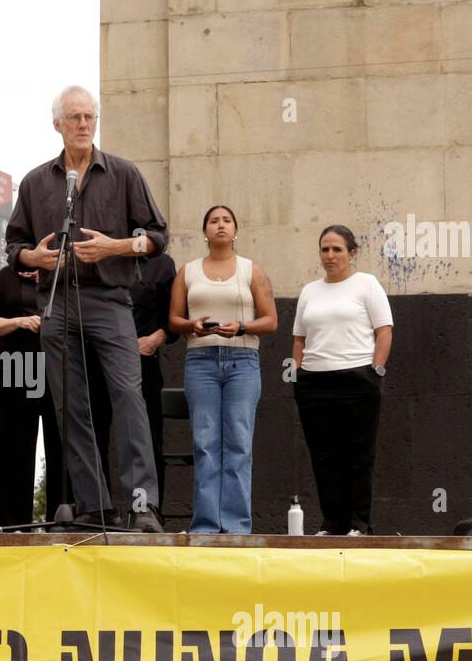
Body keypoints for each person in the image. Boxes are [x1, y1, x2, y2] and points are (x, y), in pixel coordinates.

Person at [7, 85, 167, 532]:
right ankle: (93, 505)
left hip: (110, 299)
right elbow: (14, 245)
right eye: (74, 117)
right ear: (57, 124)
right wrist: (33, 258)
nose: (83, 124)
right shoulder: (35, 182)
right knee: (70, 406)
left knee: (128, 396)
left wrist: (117, 247)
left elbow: (158, 237)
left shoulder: (123, 173)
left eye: (89, 117)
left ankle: (141, 504)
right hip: (56, 300)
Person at [169, 205, 278, 533]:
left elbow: (270, 320)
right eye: (213, 221)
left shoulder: (251, 270)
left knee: (238, 443)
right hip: (200, 361)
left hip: (242, 361)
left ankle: (235, 526)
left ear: (235, 230)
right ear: (205, 231)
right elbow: (173, 320)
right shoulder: (187, 272)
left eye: (227, 220)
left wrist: (242, 327)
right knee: (205, 442)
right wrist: (192, 325)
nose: (220, 225)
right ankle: (205, 525)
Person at [292, 225, 394, 536]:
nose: (330, 255)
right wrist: (298, 373)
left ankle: (359, 523)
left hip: (357, 378)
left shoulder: (366, 284)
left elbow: (384, 331)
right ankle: (332, 522)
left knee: (359, 455)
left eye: (337, 249)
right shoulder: (309, 291)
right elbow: (299, 338)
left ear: (352, 253)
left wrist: (375, 371)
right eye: (325, 249)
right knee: (324, 456)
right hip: (314, 382)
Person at [85, 250, 178, 514]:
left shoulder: (161, 264)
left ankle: (148, 511)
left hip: (143, 359)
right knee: (95, 436)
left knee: (148, 436)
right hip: (97, 359)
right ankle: (99, 512)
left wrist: (155, 340)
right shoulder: (98, 257)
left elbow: (172, 318)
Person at [0, 265, 62, 529]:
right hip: (15, 363)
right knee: (13, 449)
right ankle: (10, 525)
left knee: (60, 447)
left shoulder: (61, 270)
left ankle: (60, 522)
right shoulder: (6, 275)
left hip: (55, 362)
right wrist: (20, 321)